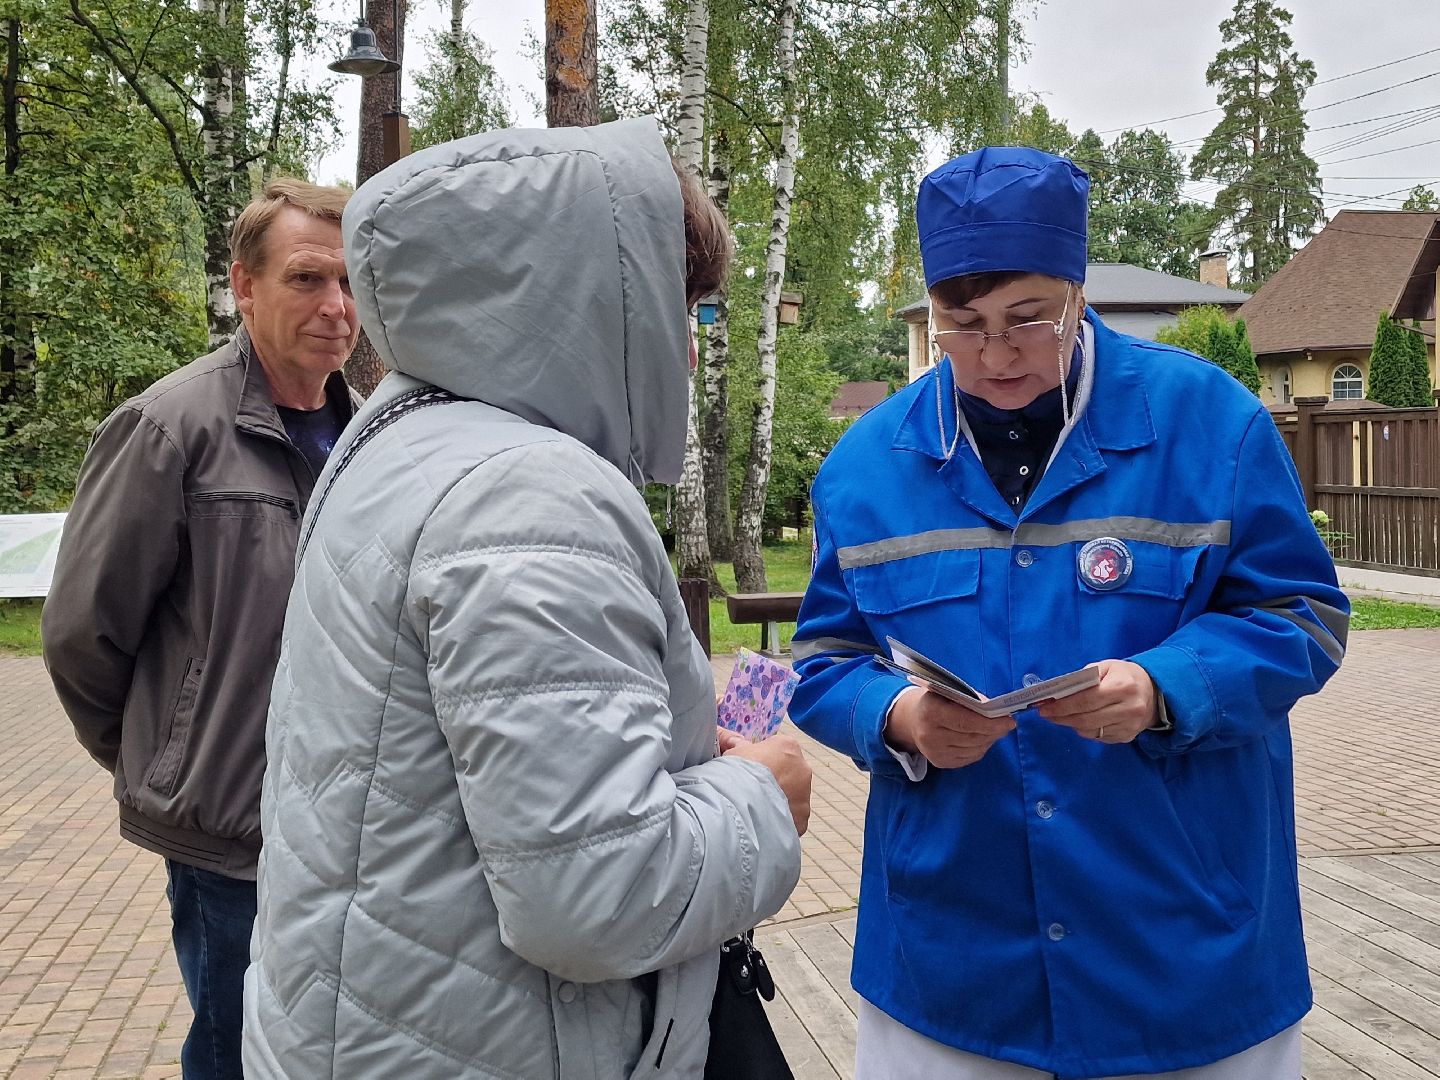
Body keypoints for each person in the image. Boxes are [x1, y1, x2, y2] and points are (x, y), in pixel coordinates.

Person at [241, 118, 811, 1079]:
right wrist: (762, 796)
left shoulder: (398, 440)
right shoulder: (531, 496)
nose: (688, 346)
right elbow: (598, 900)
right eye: (686, 308)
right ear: (612, 299)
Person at [789, 146, 1348, 1080]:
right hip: (955, 968)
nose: (995, 354)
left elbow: (1303, 615)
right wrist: (898, 715)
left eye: (1027, 318)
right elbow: (822, 660)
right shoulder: (864, 468)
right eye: (961, 324)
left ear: (1080, 294)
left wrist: (1165, 687)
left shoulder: (1212, 424)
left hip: (1182, 956)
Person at [42, 178, 359, 1080]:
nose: (336, 307)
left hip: (347, 823)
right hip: (229, 829)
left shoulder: (372, 430)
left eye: (350, 283)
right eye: (306, 279)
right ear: (245, 287)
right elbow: (82, 635)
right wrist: (169, 757)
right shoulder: (167, 428)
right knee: (235, 1048)